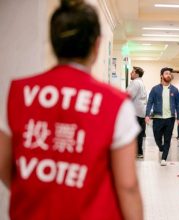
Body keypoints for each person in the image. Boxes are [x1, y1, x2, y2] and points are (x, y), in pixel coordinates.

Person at [0, 1, 143, 219]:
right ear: (96, 46)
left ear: (53, 42)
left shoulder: (20, 92)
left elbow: (4, 163)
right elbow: (128, 184)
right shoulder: (114, 103)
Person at [145, 67, 179, 166]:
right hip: (158, 117)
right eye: (166, 73)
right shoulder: (155, 89)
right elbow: (150, 102)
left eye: (169, 74)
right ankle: (161, 147)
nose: (168, 75)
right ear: (161, 76)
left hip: (170, 119)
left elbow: (178, 104)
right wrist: (147, 115)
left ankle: (164, 158)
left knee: (167, 138)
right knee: (157, 137)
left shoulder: (174, 90)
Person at [127, 66, 147, 158]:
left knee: (134, 133)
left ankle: (136, 152)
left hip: (135, 112)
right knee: (139, 133)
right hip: (141, 112)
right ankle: (139, 152)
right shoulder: (141, 83)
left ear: (137, 74)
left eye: (133, 72)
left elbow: (128, 96)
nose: (131, 73)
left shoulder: (135, 83)